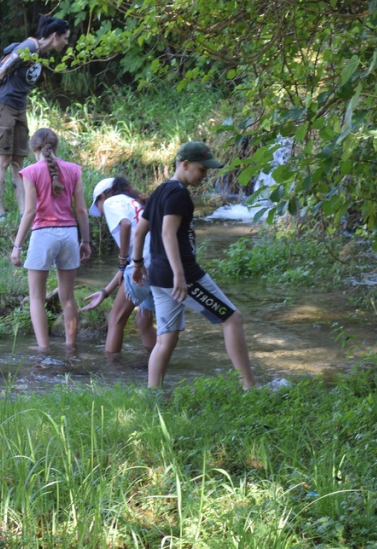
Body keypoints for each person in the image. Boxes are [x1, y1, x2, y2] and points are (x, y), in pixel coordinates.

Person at [130, 142, 257, 390]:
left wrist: (136, 263)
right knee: (232, 319)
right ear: (185, 165)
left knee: (166, 338)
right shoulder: (178, 194)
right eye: (201, 169)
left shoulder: (159, 191)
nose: (204, 175)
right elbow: (168, 233)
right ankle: (250, 386)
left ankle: (153, 394)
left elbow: (140, 232)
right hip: (182, 275)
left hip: (158, 275)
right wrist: (179, 276)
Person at [0, 16, 72, 224]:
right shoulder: (29, 47)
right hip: (1, 103)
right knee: (3, 158)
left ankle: (23, 212)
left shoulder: (41, 54)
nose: (66, 42)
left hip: (19, 107)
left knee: (19, 160)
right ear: (55, 36)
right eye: (65, 38)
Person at [9, 129, 92, 353]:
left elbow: (30, 212)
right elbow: (82, 210)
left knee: (36, 297)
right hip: (69, 234)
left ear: (33, 148)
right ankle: (70, 347)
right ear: (56, 146)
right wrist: (86, 241)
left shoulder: (30, 172)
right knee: (67, 296)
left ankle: (43, 350)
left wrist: (17, 246)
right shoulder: (74, 170)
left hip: (43, 235)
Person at [82, 176, 157, 354]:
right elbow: (129, 266)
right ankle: (154, 363)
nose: (100, 213)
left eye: (97, 206)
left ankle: (111, 369)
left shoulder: (111, 202)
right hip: (158, 263)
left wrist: (122, 258)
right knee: (143, 320)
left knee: (115, 319)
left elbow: (124, 224)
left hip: (143, 265)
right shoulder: (133, 202)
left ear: (102, 196)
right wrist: (105, 292)